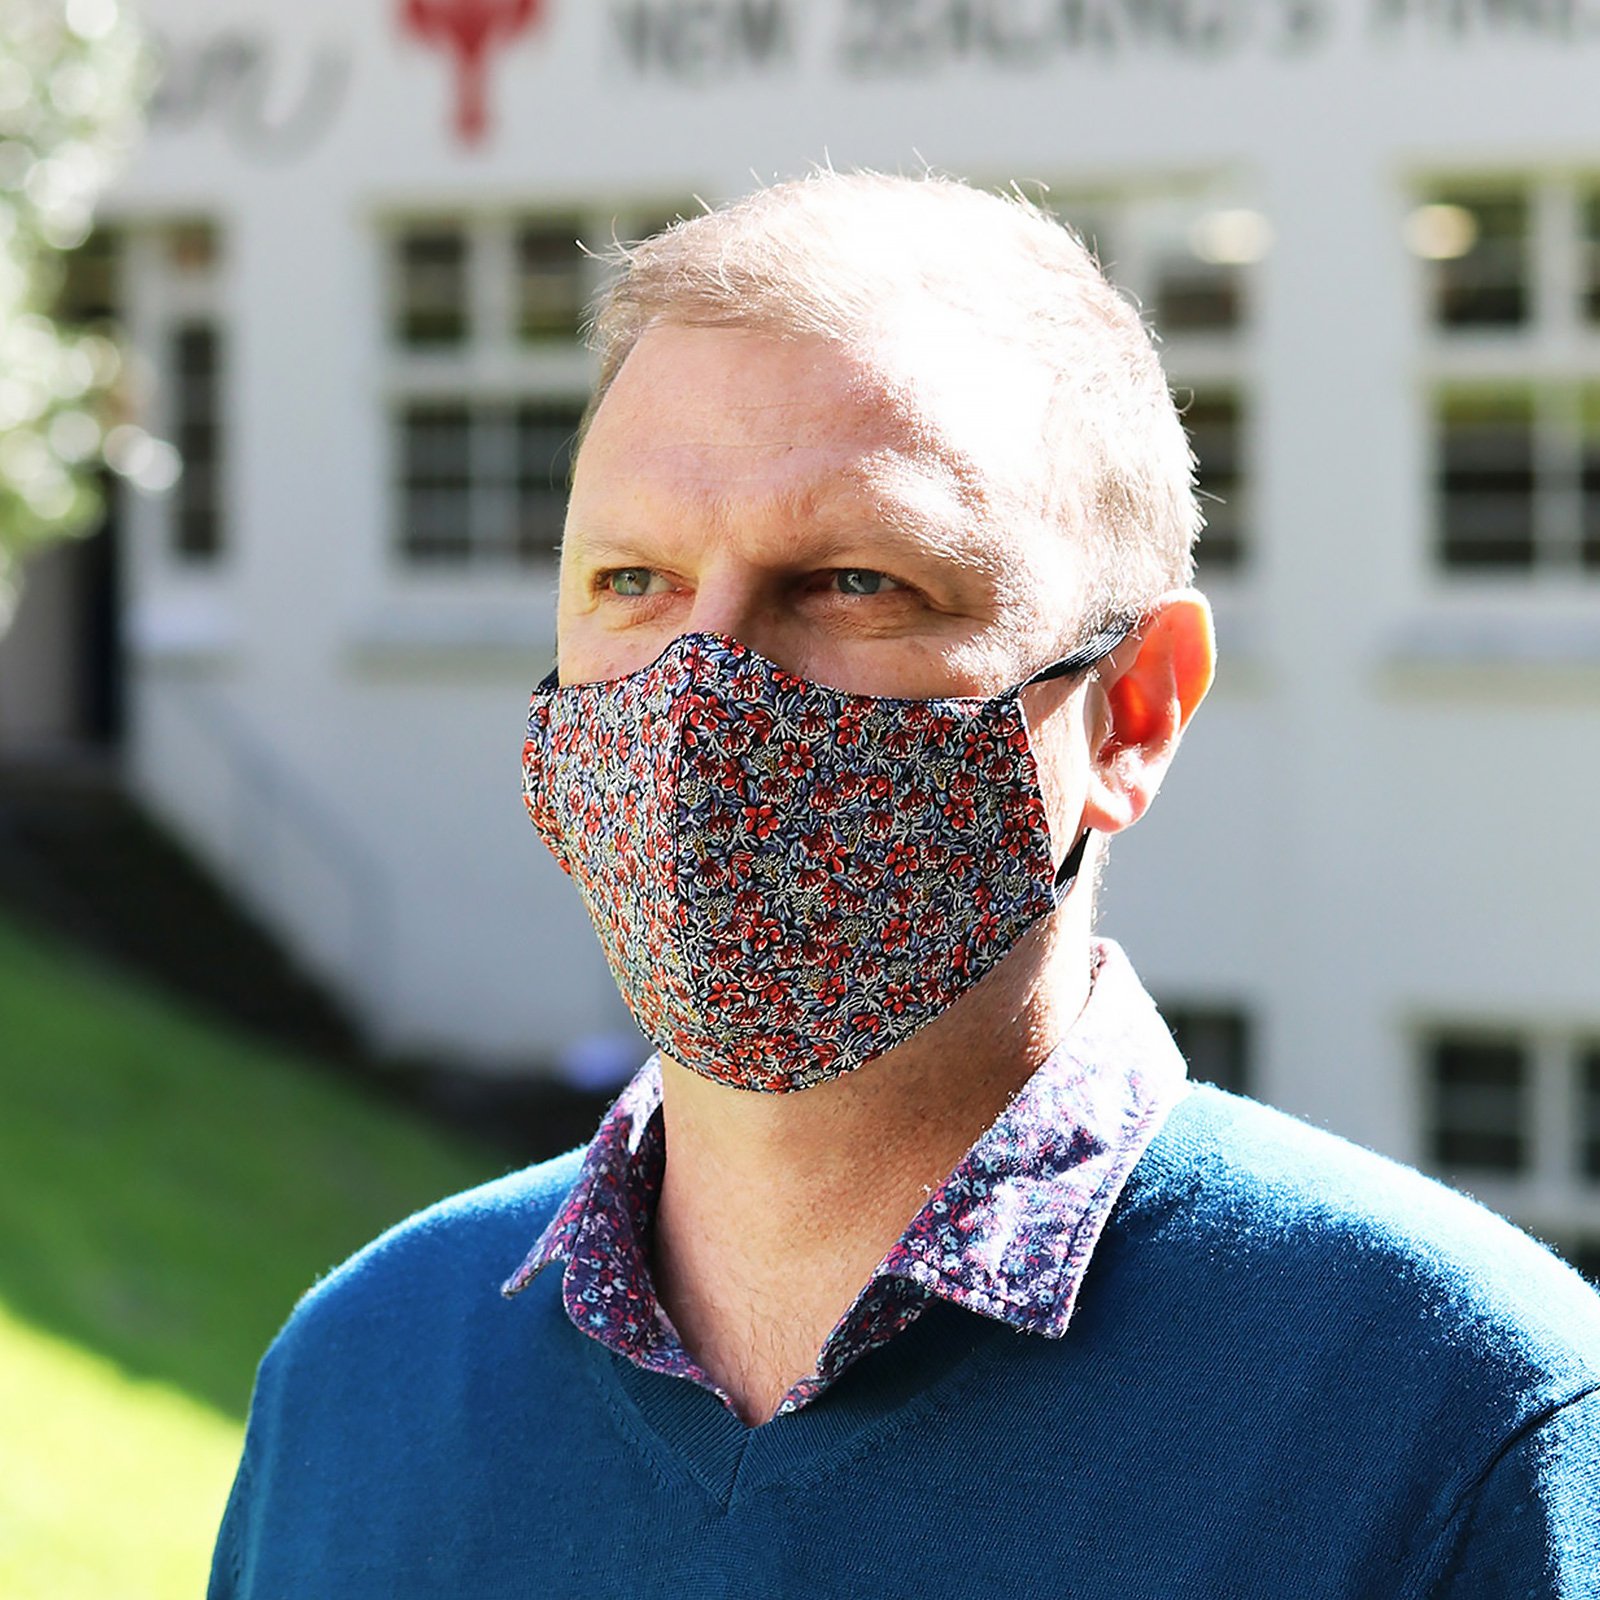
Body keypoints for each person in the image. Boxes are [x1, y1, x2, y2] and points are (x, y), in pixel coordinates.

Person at [210, 173, 1600, 1598]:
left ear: (1133, 712)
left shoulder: (1460, 1425)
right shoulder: (357, 1379)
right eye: (631, 581)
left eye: (855, 583)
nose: (700, 699)